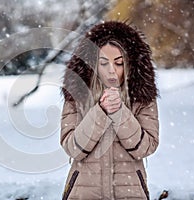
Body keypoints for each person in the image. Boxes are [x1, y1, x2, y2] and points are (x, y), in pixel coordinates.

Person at [60, 21, 159, 200]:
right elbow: (73, 148)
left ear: (129, 64)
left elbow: (145, 148)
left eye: (119, 63)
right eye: (104, 63)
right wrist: (100, 112)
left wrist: (120, 112)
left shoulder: (142, 98)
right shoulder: (77, 96)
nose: (111, 71)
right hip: (83, 194)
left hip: (130, 194)